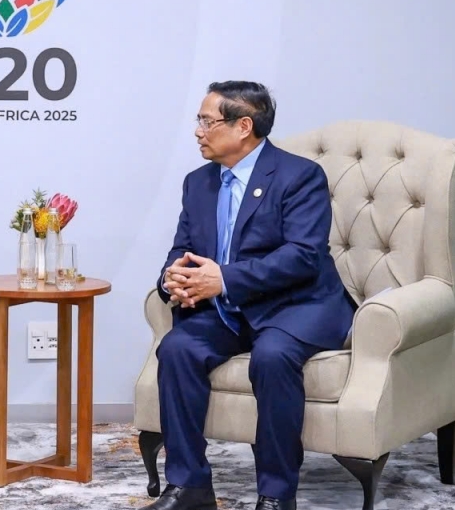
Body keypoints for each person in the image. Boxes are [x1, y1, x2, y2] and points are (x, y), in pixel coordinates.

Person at [146, 81, 357, 510]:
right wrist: (174, 280)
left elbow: (302, 257)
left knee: (273, 356)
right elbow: (182, 248)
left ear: (244, 126)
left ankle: (277, 495)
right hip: (229, 310)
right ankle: (190, 487)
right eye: (199, 120)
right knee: (178, 348)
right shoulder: (198, 183)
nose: (198, 130)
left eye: (207, 121)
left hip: (297, 305)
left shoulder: (300, 176)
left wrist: (222, 279)